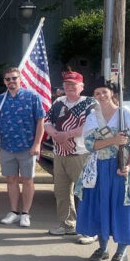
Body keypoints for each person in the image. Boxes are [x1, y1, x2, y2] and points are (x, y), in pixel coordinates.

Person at [75, 81, 130, 261]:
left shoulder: (127, 115)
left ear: (112, 93)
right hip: (99, 168)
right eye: (97, 93)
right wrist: (114, 140)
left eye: (104, 92)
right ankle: (103, 248)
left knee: (122, 209)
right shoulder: (93, 117)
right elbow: (90, 145)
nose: (100, 96)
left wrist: (129, 166)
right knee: (100, 208)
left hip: (120, 169)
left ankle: (121, 253)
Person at [0, 67, 45, 227]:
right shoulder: (0, 99)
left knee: (27, 180)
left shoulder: (32, 97)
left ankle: (25, 213)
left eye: (14, 78)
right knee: (11, 180)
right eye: (8, 79)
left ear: (20, 79)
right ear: (4, 81)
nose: (11, 81)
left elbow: (41, 121)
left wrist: (37, 143)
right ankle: (13, 212)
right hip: (7, 146)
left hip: (28, 146)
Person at [44, 71, 97, 242]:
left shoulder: (89, 103)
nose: (69, 88)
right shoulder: (59, 102)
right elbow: (46, 122)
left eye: (73, 84)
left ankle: (90, 229)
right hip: (60, 154)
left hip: (80, 154)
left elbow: (90, 125)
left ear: (81, 86)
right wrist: (57, 135)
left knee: (84, 193)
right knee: (62, 192)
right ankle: (67, 224)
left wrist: (66, 135)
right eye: (67, 84)